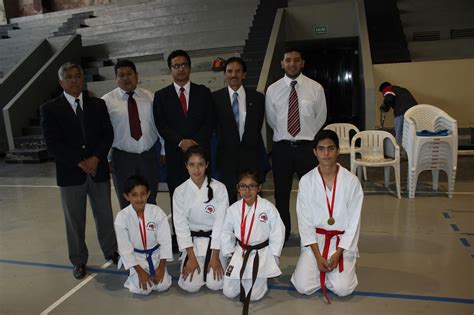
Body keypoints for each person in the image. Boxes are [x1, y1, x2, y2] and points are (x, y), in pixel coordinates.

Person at [40, 62, 118, 280]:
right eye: (70, 77)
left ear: (83, 79)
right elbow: (53, 144)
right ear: (61, 82)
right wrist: (81, 162)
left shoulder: (97, 104)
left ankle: (111, 250)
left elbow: (107, 134)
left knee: (104, 214)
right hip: (71, 174)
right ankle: (79, 260)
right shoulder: (50, 109)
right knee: (74, 220)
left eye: (78, 76)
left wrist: (95, 159)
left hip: (98, 171)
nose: (74, 80)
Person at [291, 130, 363, 303]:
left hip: (340, 242)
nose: (326, 153)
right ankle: (320, 270)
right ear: (315, 152)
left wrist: (338, 254)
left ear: (338, 150)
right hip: (316, 240)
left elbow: (354, 223)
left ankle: (336, 273)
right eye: (321, 149)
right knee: (302, 287)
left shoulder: (351, 181)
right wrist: (317, 256)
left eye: (331, 148)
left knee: (343, 289)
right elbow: (305, 222)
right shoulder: (307, 181)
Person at [265, 46, 327, 241]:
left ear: (302, 63)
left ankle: (312, 235)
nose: (292, 64)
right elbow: (272, 120)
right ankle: (282, 234)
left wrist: (304, 135)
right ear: (282, 63)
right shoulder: (273, 89)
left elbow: (320, 118)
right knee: (281, 195)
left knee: (311, 195)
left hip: (307, 148)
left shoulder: (315, 88)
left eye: (296, 60)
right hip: (282, 148)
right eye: (288, 60)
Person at [153, 49, 213, 242]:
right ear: (170, 70)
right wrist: (181, 142)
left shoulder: (203, 92)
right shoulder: (161, 96)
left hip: (200, 155)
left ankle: (205, 234)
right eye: (176, 66)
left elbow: (209, 121)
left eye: (184, 65)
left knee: (203, 195)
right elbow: (161, 124)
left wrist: (194, 144)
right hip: (175, 155)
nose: (180, 69)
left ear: (190, 67)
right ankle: (182, 239)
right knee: (178, 199)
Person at [102, 60, 165, 209]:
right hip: (122, 158)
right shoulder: (106, 101)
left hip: (148, 156)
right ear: (116, 79)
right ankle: (130, 232)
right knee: (126, 202)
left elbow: (160, 125)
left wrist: (163, 150)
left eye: (129, 74)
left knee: (150, 200)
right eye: (121, 75)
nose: (126, 78)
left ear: (137, 76)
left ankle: (149, 231)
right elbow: (103, 132)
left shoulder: (150, 97)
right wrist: (107, 157)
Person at [221, 170, 285, 315]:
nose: (247, 191)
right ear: (237, 188)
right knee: (229, 292)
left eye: (252, 186)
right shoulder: (233, 209)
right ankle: (247, 277)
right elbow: (226, 232)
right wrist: (229, 253)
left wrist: (274, 257)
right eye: (243, 186)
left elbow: (278, 232)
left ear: (259, 188)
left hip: (261, 253)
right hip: (241, 251)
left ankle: (263, 276)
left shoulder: (267, 208)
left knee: (254, 296)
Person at [173, 145, 229, 292]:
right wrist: (191, 258)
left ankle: (223, 259)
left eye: (200, 165)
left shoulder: (219, 188)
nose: (196, 170)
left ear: (207, 165)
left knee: (215, 284)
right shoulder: (180, 192)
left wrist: (215, 256)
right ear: (186, 166)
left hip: (215, 242)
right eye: (192, 165)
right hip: (193, 243)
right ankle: (194, 261)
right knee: (190, 286)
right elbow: (180, 226)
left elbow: (220, 224)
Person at [212, 57, 267, 204]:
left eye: (237, 71)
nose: (233, 75)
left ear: (244, 74)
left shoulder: (257, 98)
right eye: (229, 71)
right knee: (227, 202)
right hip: (226, 159)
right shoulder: (215, 98)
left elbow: (256, 128)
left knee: (254, 201)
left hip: (251, 158)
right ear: (224, 74)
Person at [114, 175, 173, 295]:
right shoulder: (122, 217)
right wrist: (140, 272)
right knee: (142, 290)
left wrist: (161, 268)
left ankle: (159, 272)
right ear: (127, 196)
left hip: (155, 255)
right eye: (134, 195)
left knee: (163, 285)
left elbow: (165, 242)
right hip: (137, 257)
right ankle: (133, 275)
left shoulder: (156, 212)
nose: (139, 199)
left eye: (142, 194)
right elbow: (125, 248)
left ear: (148, 194)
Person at [378, 81, 418, 146]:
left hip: (402, 112)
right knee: (409, 134)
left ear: (383, 89)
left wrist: (384, 106)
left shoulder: (388, 88)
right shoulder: (402, 90)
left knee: (399, 133)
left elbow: (389, 98)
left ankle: (398, 152)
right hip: (414, 112)